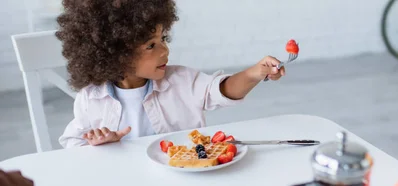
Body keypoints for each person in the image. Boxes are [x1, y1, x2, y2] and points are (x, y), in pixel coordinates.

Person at [56, 0, 286, 148]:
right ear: (117, 53)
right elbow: (72, 142)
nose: (165, 50)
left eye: (163, 39)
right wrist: (96, 144)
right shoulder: (90, 99)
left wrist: (256, 72)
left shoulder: (181, 81)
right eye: (151, 45)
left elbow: (222, 89)